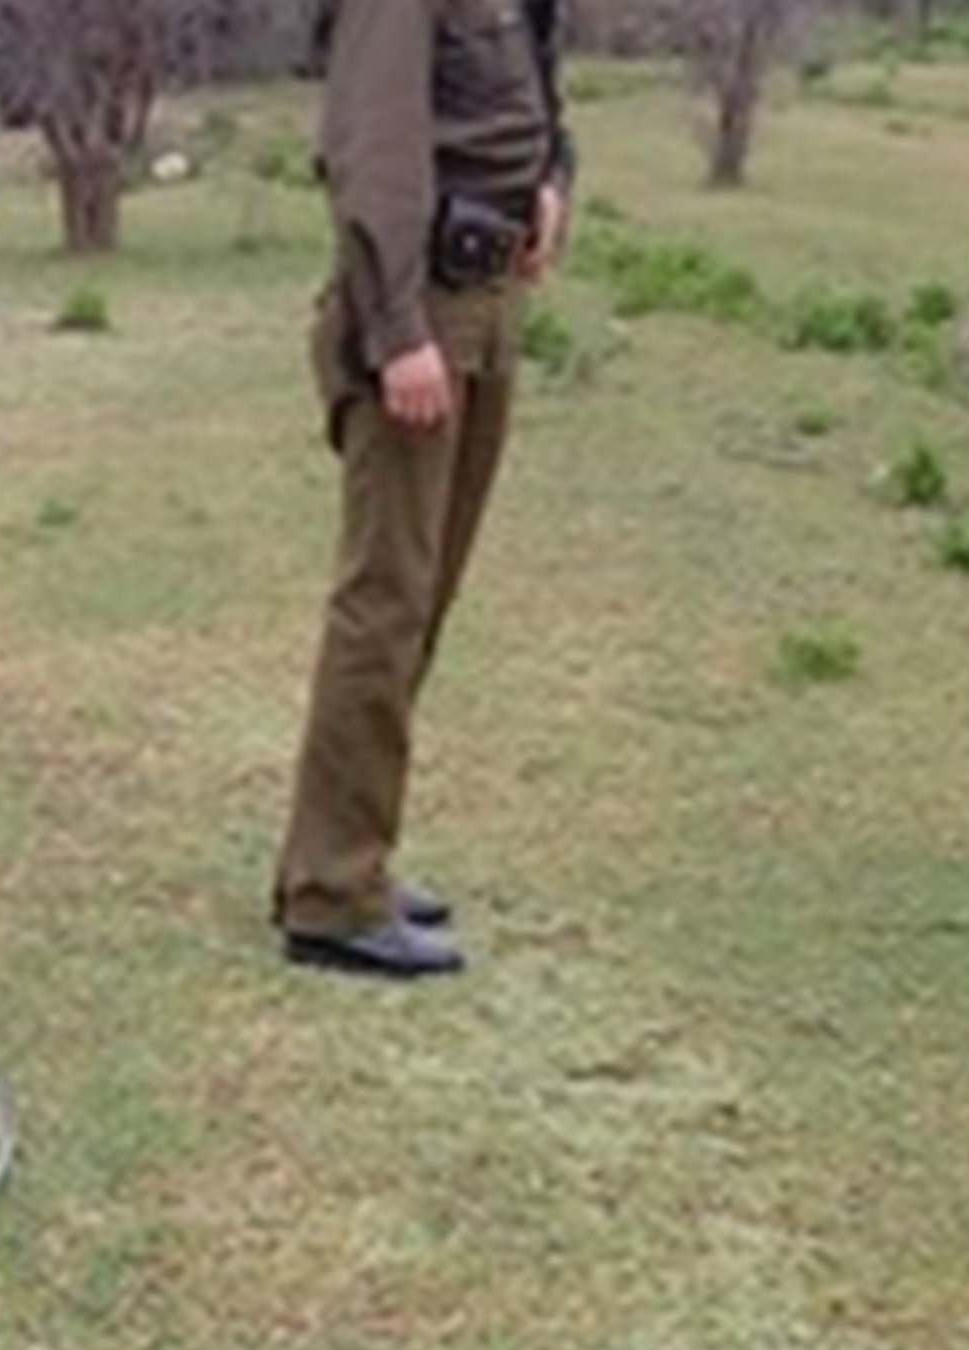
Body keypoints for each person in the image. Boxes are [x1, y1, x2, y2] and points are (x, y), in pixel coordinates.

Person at [276, 0, 574, 981]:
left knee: (425, 594)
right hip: (420, 310)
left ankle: (347, 856)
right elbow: (373, 147)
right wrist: (397, 329)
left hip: (483, 301)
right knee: (384, 601)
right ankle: (331, 894)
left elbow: (525, 81)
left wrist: (551, 178)